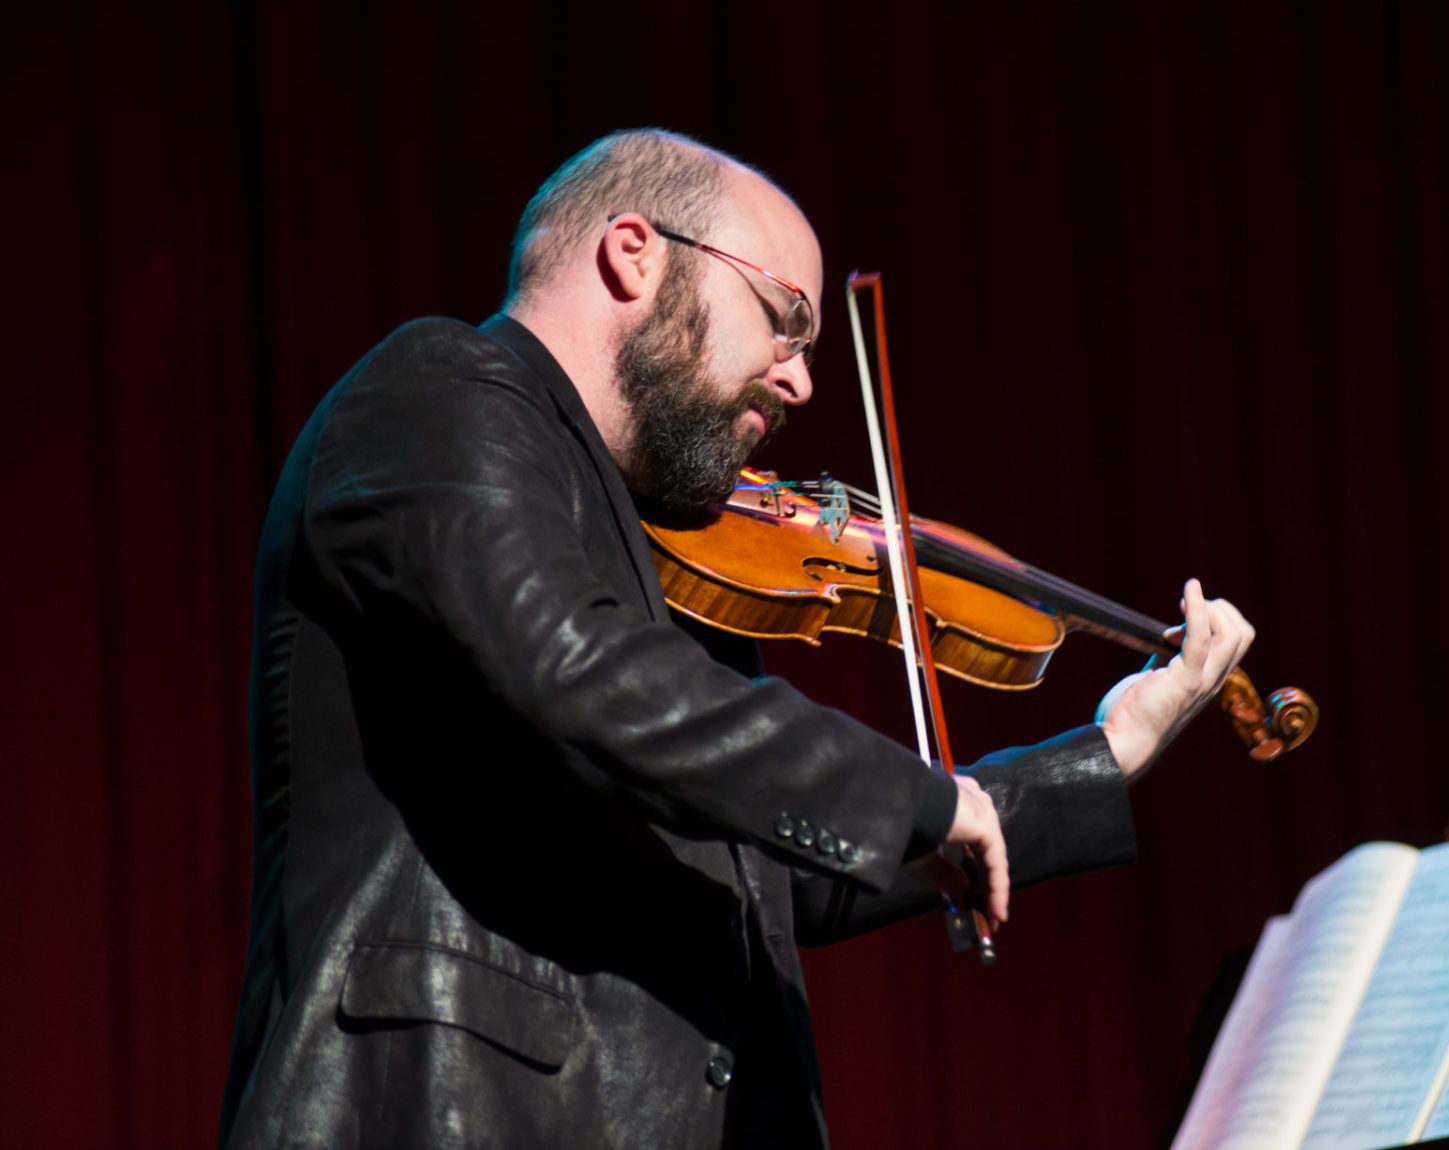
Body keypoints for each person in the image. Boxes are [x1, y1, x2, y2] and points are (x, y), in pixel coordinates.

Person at [218, 129, 1254, 1149]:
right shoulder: (438, 388)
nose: (801, 380)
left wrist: (1101, 758)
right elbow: (581, 670)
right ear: (635, 252)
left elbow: (769, 868)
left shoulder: (657, 536)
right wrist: (921, 798)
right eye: (782, 319)